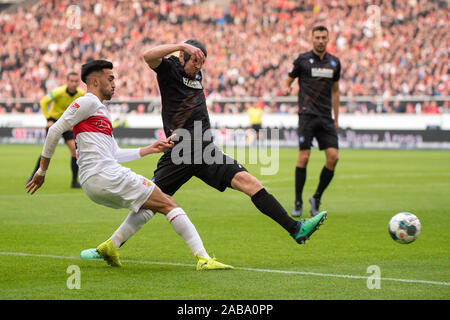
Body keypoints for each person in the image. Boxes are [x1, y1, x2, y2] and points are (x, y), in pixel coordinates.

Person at [25, 60, 232, 271]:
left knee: (151, 205)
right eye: (110, 79)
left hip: (96, 180)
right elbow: (54, 130)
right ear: (95, 81)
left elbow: (114, 153)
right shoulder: (87, 102)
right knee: (168, 203)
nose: (115, 83)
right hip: (104, 174)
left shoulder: (101, 111)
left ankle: (111, 246)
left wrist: (149, 149)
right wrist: (42, 171)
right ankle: (203, 259)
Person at [143, 40, 327, 246]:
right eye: (194, 60)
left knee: (249, 182)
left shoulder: (196, 74)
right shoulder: (169, 69)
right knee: (148, 200)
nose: (198, 66)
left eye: (201, 62)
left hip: (205, 151)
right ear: (182, 56)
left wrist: (193, 56)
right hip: (181, 153)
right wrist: (181, 45)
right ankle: (112, 245)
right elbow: (148, 55)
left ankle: (296, 229)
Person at [282, 26, 341, 218]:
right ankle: (298, 201)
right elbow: (288, 80)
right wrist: (286, 88)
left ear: (328, 39)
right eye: (317, 37)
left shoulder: (334, 62)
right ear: (312, 38)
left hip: (326, 117)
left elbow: (335, 90)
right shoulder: (302, 60)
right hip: (307, 115)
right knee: (304, 157)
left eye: (324, 37)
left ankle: (316, 197)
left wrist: (336, 117)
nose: (321, 40)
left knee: (333, 157)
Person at [26, 72, 85, 188]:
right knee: (47, 151)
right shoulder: (58, 92)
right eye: (71, 81)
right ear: (67, 81)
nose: (73, 84)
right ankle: (33, 176)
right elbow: (44, 101)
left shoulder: (81, 94)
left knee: (74, 151)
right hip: (54, 123)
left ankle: (74, 181)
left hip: (67, 123)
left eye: (76, 81)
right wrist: (48, 118)